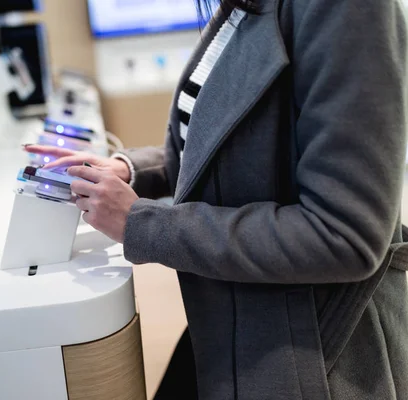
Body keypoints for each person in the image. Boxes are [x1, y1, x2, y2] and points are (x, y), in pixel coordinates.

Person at [26, 0, 408, 398]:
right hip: (235, 330)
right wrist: (130, 171)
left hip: (311, 357)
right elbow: (226, 142)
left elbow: (342, 235)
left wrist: (141, 223)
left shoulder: (349, 9)